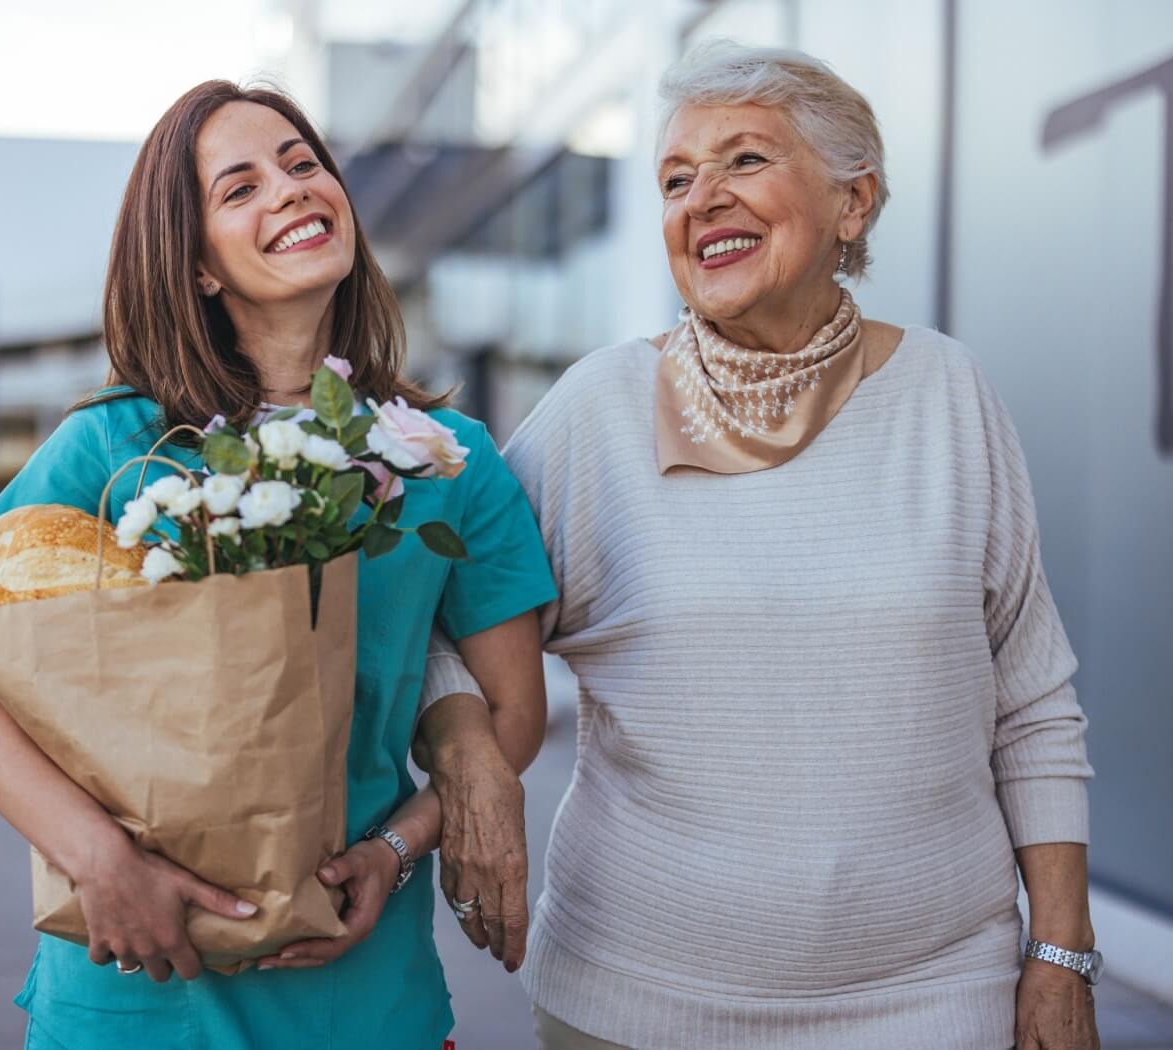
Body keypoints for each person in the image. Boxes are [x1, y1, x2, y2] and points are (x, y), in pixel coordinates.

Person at [420, 42, 1100, 1050]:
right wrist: (468, 751)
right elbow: (437, 614)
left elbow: (1031, 702)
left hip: (934, 999)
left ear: (852, 203)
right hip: (632, 1004)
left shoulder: (948, 396)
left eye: (743, 161)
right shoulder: (598, 410)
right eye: (675, 179)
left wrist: (1060, 951)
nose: (703, 199)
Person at [0, 80, 556, 1050]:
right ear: (198, 267)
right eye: (240, 187)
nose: (292, 190)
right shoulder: (115, 449)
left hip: (361, 985)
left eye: (304, 165)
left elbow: (514, 714)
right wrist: (99, 863)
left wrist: (398, 849)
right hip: (138, 980)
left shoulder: (448, 461)